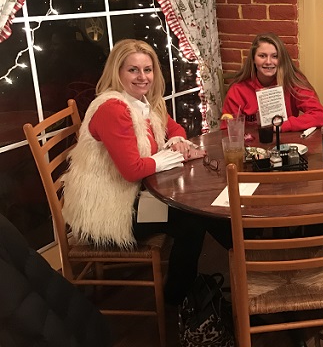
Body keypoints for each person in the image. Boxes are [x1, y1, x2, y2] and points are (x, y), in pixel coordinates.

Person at [61, 39, 230, 304]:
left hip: (135, 196)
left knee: (203, 210)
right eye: (133, 70)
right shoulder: (113, 109)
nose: (143, 77)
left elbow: (174, 129)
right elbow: (132, 170)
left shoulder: (143, 102)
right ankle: (179, 299)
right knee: (193, 221)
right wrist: (172, 155)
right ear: (117, 72)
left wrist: (176, 141)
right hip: (110, 212)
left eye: (147, 70)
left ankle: (247, 255)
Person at [221, 32, 323, 132]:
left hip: (286, 143)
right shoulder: (238, 90)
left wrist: (283, 125)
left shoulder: (292, 82)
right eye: (262, 56)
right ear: (253, 59)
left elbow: (320, 116)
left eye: (275, 56)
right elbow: (227, 130)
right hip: (252, 147)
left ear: (282, 59)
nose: (268, 62)